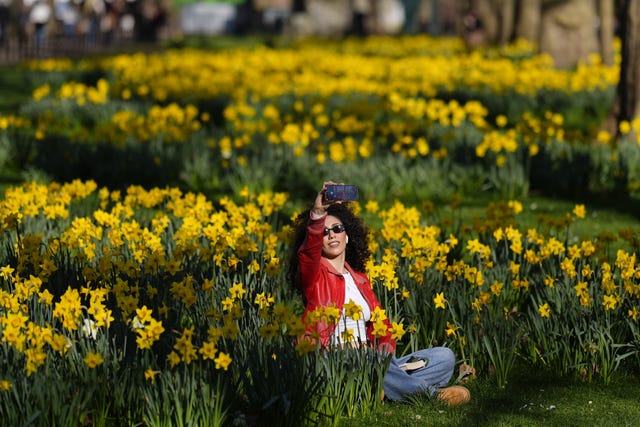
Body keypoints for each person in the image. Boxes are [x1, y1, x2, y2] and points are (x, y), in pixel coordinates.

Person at [288, 181, 471, 405]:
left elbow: (381, 327)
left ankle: (379, 386)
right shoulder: (315, 277)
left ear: (347, 236)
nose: (332, 235)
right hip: (334, 362)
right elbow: (308, 254)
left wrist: (384, 352)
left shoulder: (360, 280)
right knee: (368, 358)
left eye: (337, 229)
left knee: (444, 357)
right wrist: (318, 212)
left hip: (373, 360)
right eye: (324, 232)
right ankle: (431, 396)